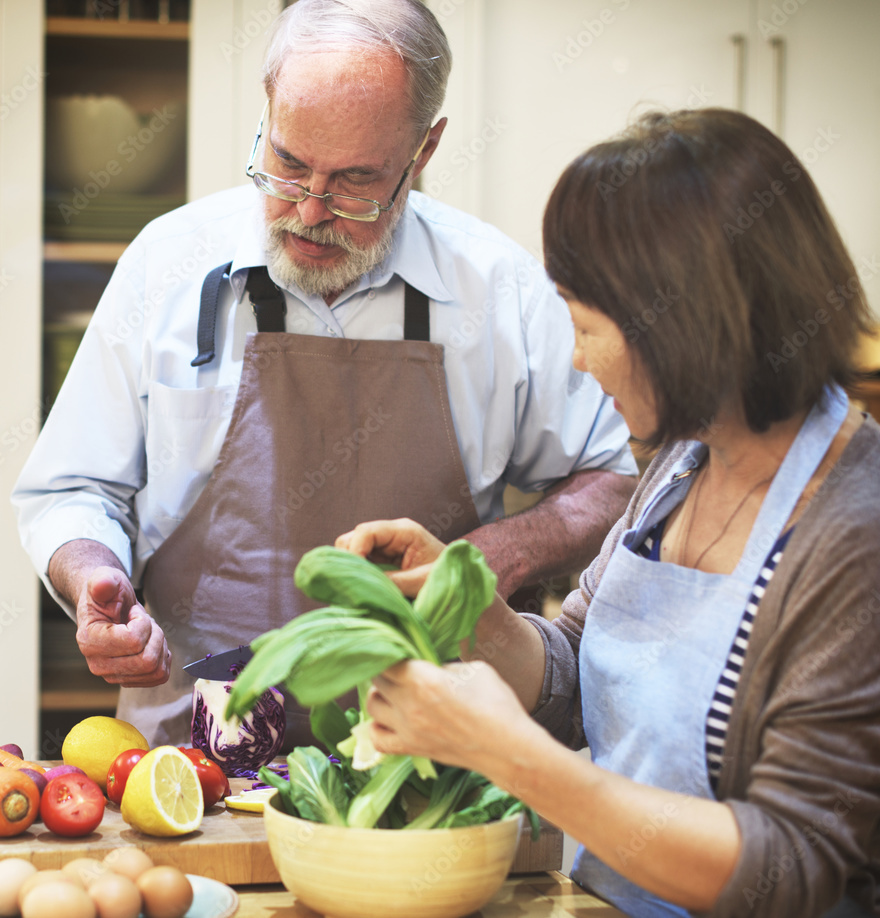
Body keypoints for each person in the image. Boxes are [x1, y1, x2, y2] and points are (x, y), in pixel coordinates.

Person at [11, 0, 637, 748]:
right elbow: (72, 488)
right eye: (287, 164)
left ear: (424, 150)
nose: (308, 210)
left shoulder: (497, 290)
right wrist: (91, 579)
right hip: (188, 765)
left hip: (423, 760)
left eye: (354, 182)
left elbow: (616, 476)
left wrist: (500, 556)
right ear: (269, 107)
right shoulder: (167, 263)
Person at [341, 108, 880, 917]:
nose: (577, 356)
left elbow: (790, 867)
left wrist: (508, 754)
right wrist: (466, 602)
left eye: (585, 321)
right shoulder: (683, 460)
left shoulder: (854, 536)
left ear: (689, 327)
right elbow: (577, 677)